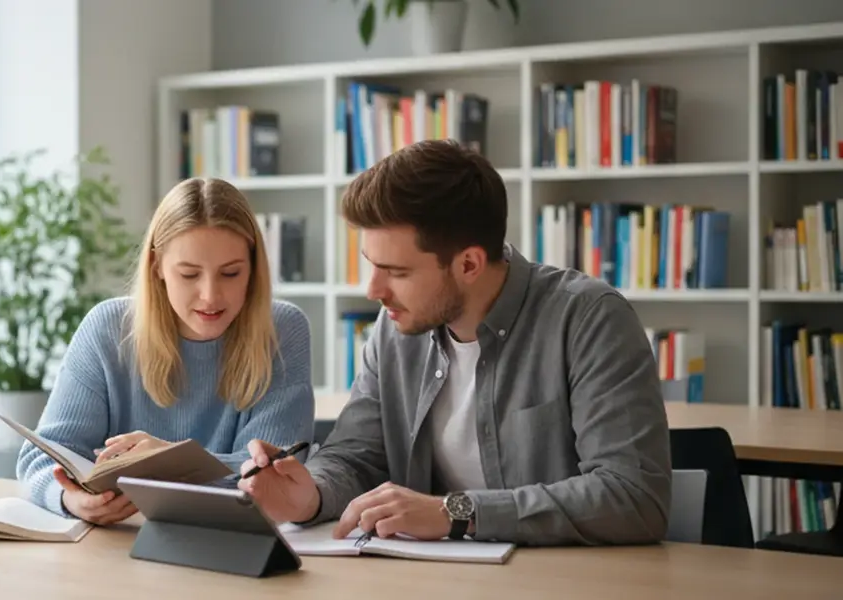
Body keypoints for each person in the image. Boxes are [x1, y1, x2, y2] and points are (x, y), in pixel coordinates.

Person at [239, 139, 672, 547]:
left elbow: (632, 496)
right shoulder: (395, 328)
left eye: (398, 271)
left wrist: (456, 512)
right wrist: (310, 494)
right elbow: (358, 456)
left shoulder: (589, 319)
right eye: (372, 264)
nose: (373, 289)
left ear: (468, 264)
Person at [16, 177, 316, 525]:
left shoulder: (283, 330)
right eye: (189, 275)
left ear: (253, 268)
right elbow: (40, 458)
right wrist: (70, 499)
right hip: (117, 547)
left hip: (228, 542)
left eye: (231, 274)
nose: (210, 296)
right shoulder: (107, 328)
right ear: (156, 266)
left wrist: (170, 462)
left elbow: (272, 476)